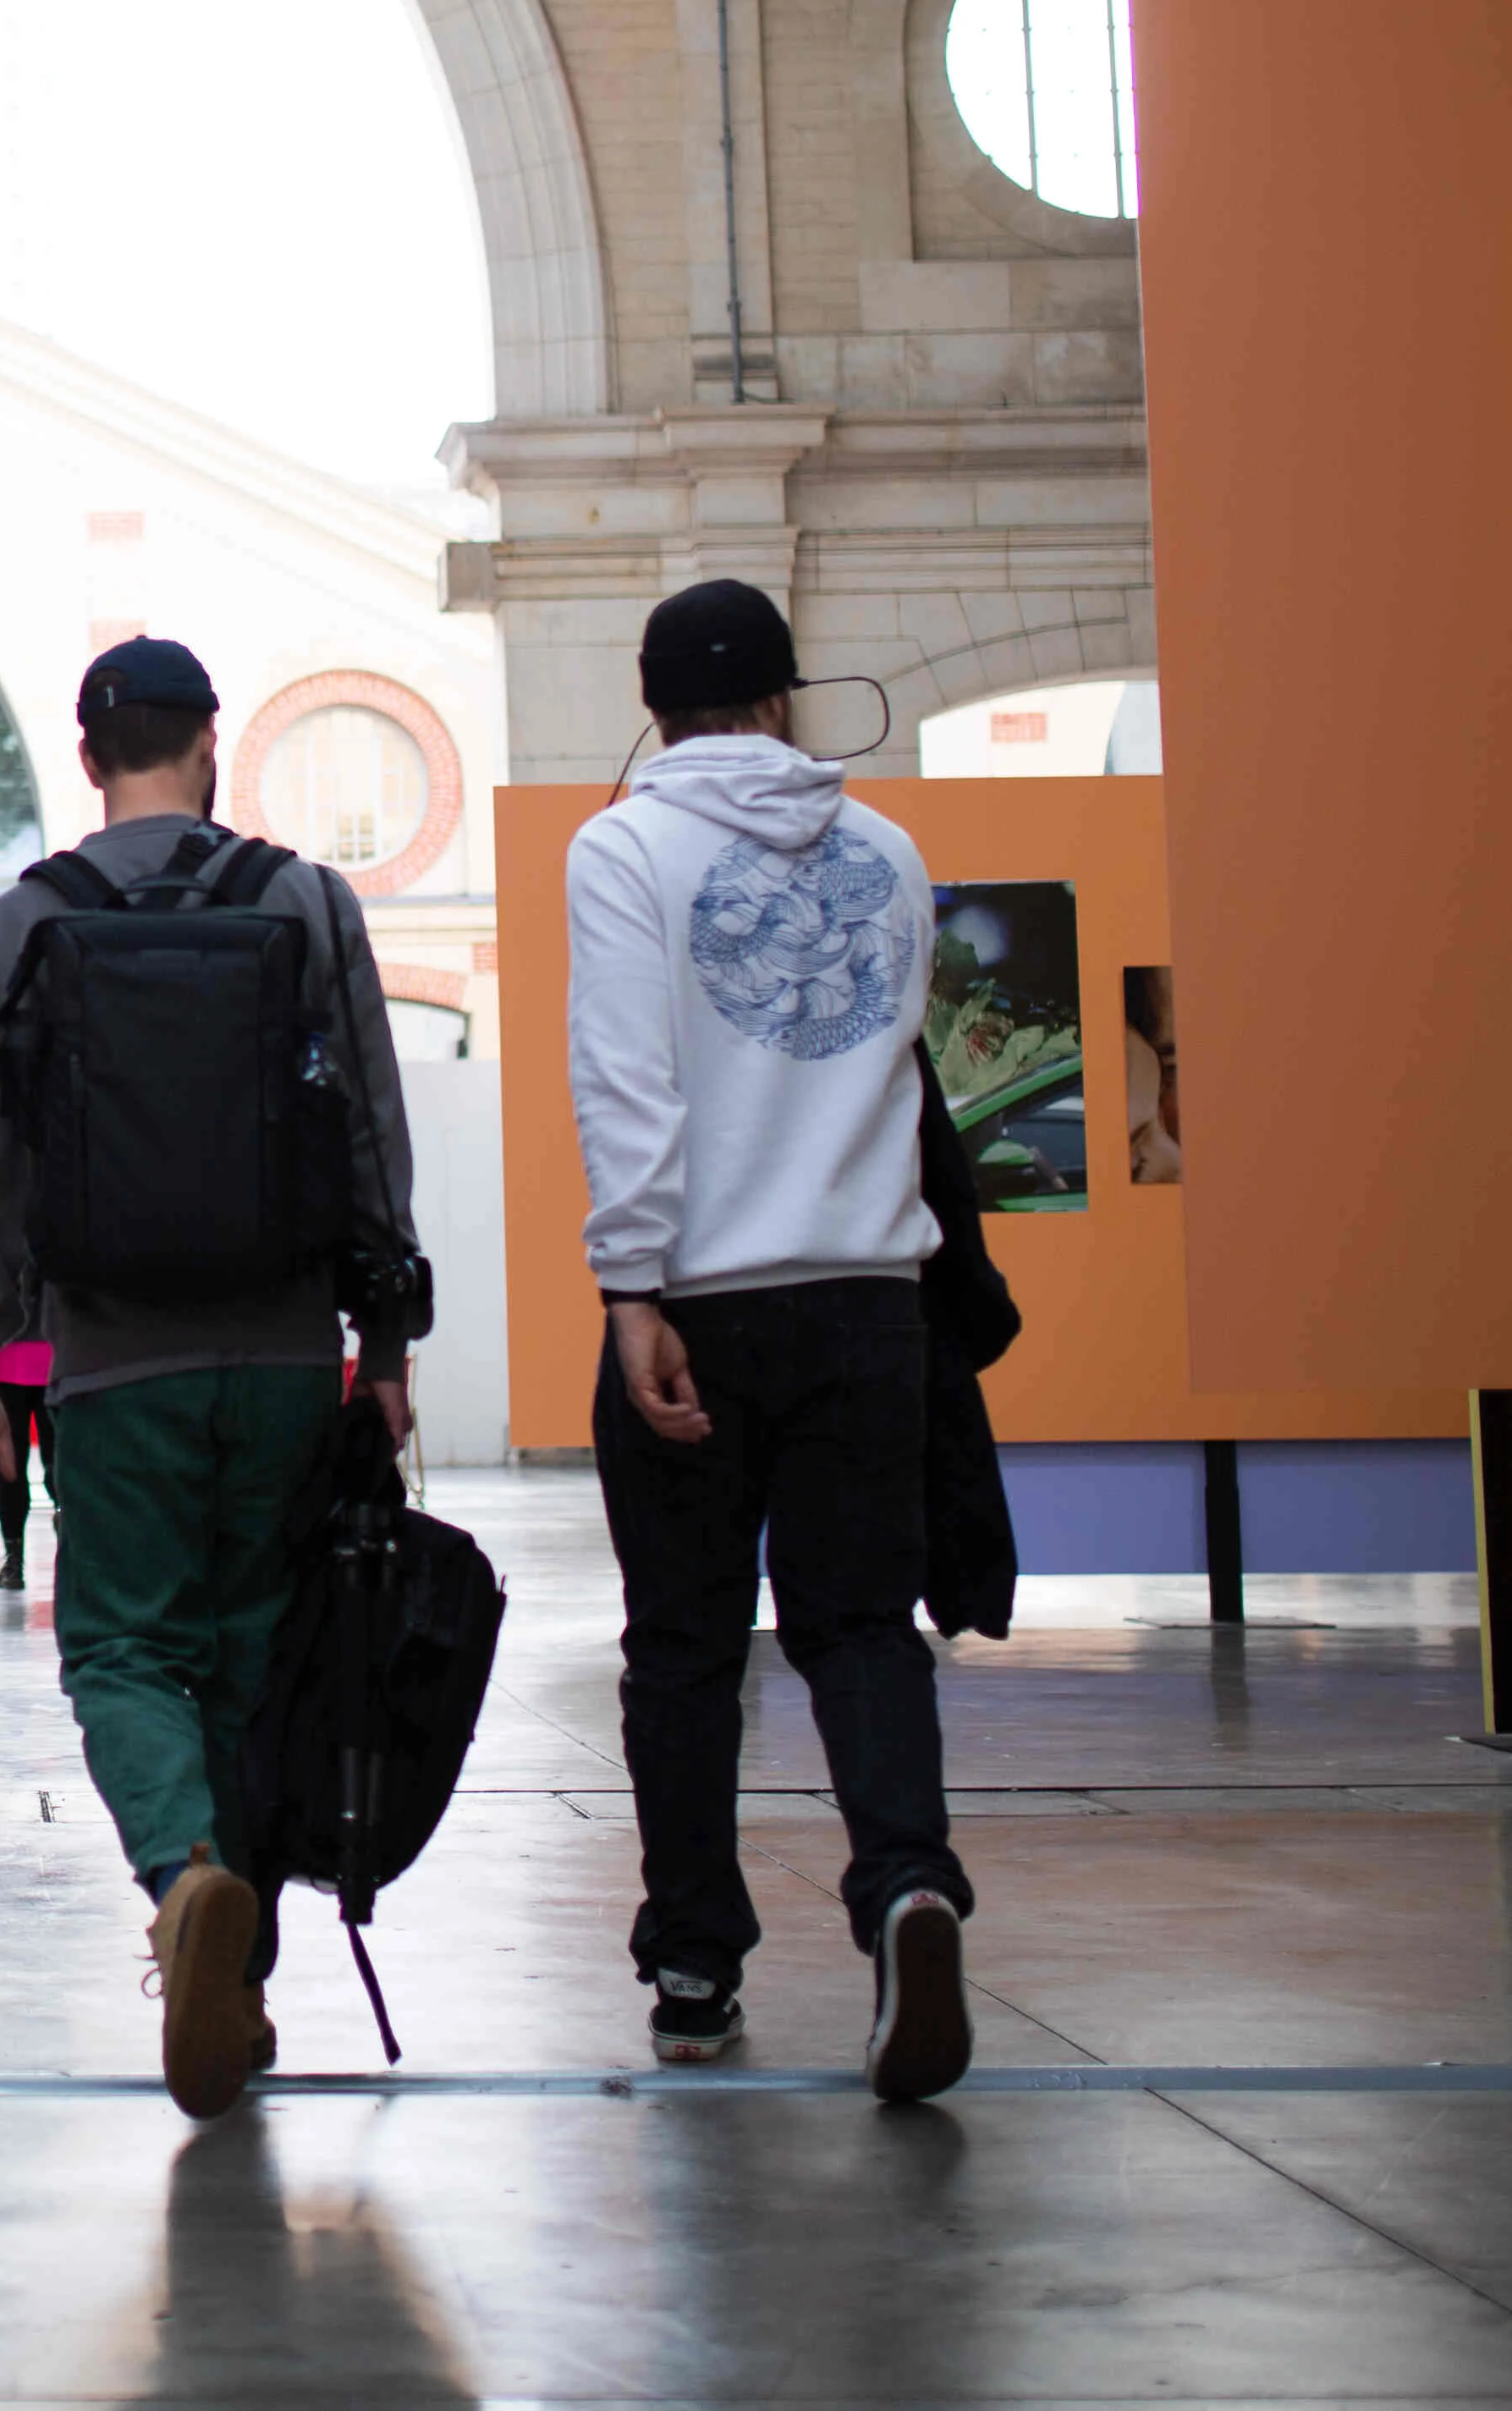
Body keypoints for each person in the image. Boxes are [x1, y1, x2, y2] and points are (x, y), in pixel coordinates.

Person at [0, 636, 424, 2119]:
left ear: (86, 757)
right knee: (258, 1651)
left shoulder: (27, 921)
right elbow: (369, 1132)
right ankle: (241, 1978)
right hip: (281, 1351)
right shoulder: (302, 898)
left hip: (107, 1358)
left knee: (125, 1649)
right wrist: (383, 1345)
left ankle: (185, 1878)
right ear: (210, 741)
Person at [568, 576, 974, 2103]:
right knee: (860, 1627)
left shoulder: (623, 848)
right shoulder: (887, 850)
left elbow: (627, 1082)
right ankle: (907, 1890)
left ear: (651, 703)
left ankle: (692, 1968)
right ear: (783, 699)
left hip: (701, 1303)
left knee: (680, 1647)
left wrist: (631, 1290)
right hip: (873, 1301)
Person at [0, 1334, 58, 1594]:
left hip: (11, 1352)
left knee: (11, 1461)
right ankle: (72, 1548)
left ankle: (13, 1561)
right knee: (58, 1460)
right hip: (56, 1351)